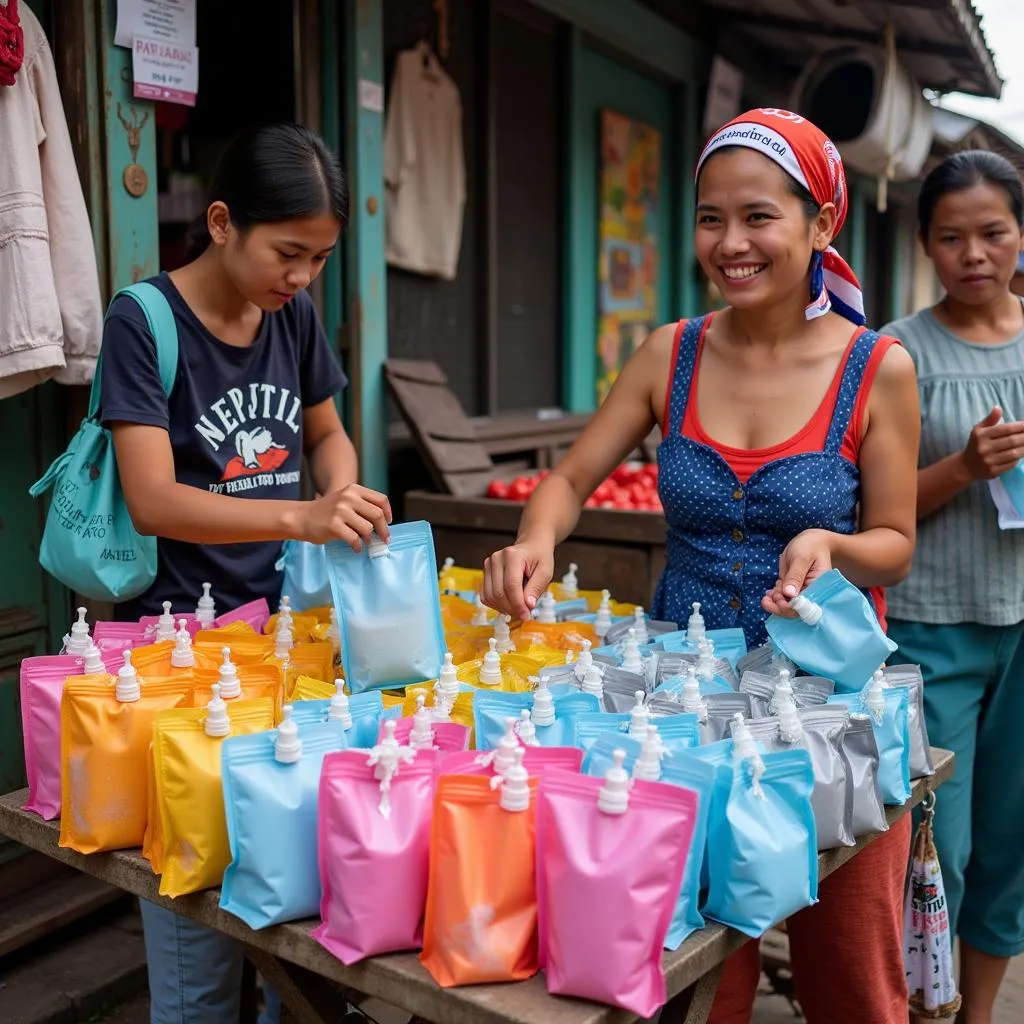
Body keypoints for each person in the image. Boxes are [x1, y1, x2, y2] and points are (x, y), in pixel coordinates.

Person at [482, 108, 920, 1022]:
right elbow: (569, 476)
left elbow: (896, 542)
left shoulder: (878, 368)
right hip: (677, 710)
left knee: (850, 975)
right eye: (711, 218)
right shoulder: (671, 353)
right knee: (685, 969)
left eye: (759, 216)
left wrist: (832, 545)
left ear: (820, 225)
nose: (732, 242)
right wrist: (535, 538)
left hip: (827, 711)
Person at [99, 123, 391, 1024]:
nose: (301, 278)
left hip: (286, 640)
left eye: (321, 259)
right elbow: (153, 498)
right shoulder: (143, 321)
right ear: (221, 222)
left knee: (289, 881)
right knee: (191, 889)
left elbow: (328, 434)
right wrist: (301, 514)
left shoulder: (291, 317)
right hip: (177, 654)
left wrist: (341, 496)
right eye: (288, 252)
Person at [883, 151, 1024, 1024]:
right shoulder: (898, 352)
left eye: (993, 233)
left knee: (1010, 850)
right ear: (926, 244)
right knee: (942, 849)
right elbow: (879, 506)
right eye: (952, 237)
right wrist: (966, 467)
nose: (974, 253)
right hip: (932, 633)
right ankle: (913, 1006)